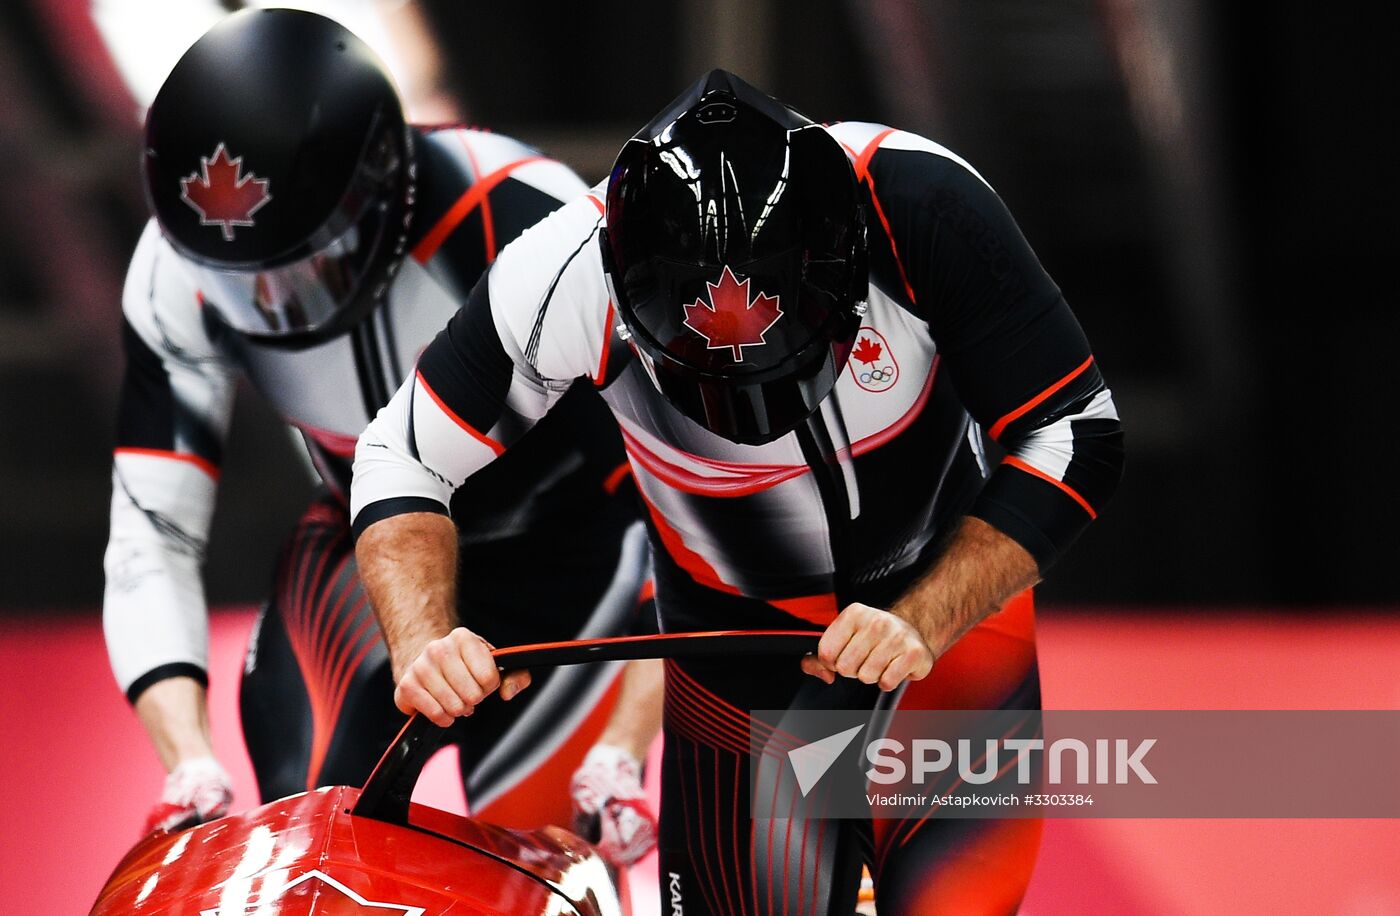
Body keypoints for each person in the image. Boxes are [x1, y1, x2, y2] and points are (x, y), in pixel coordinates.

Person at [351, 70, 1125, 913]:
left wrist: (923, 617)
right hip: (736, 659)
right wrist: (424, 637)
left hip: (943, 639)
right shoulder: (564, 272)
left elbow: (1076, 429)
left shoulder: (924, 205)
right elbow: (401, 454)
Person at [102, 8, 661, 866]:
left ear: (385, 195)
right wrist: (188, 764)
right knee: (302, 840)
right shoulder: (169, 273)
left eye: (304, 270)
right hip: (370, 559)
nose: (273, 312)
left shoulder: (519, 215)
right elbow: (151, 536)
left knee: (535, 863)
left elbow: (684, 499)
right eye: (237, 286)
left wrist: (627, 737)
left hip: (574, 571)